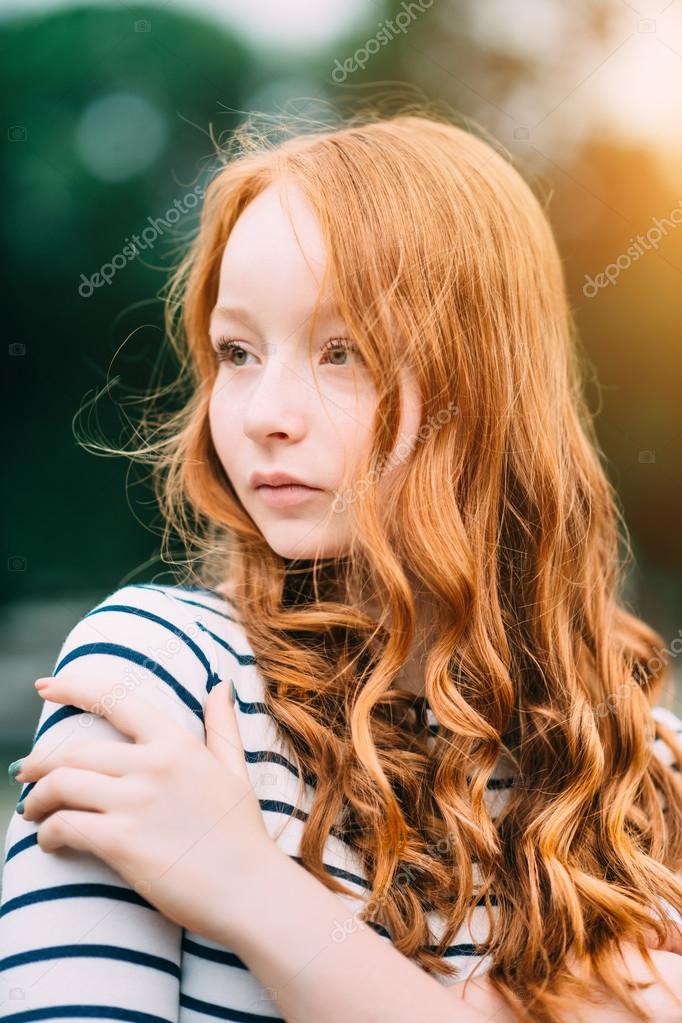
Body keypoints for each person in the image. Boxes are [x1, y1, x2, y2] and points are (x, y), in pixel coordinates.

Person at [2, 109, 682, 1023]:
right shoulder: (162, 676)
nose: (262, 413)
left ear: (483, 379)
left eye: (342, 351)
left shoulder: (640, 765)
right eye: (237, 352)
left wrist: (253, 891)